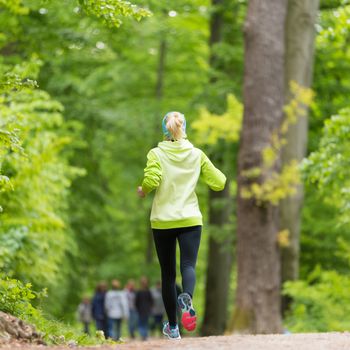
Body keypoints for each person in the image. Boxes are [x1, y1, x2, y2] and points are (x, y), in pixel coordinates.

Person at [137, 111, 226, 340]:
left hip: (163, 221)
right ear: (183, 128)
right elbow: (219, 183)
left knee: (167, 275)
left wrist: (143, 190)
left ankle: (174, 328)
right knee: (188, 265)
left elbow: (151, 180)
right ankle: (187, 296)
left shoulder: (156, 153)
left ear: (164, 130)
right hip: (190, 219)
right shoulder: (197, 154)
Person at [135, 276, 154, 341]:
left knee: (143, 323)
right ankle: (144, 335)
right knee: (143, 322)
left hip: (143, 310)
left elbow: (136, 302)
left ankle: (144, 335)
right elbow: (151, 301)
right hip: (143, 310)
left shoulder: (143, 291)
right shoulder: (144, 291)